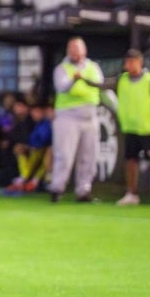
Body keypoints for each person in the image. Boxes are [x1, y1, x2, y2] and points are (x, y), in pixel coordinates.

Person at [47, 36, 103, 203]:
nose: (76, 54)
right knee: (64, 153)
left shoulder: (93, 67)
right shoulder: (62, 69)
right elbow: (62, 87)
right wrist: (74, 79)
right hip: (68, 115)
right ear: (68, 52)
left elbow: (100, 84)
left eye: (78, 50)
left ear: (84, 51)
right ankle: (57, 188)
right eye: (72, 50)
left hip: (90, 114)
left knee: (88, 155)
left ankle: (84, 190)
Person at [115, 49, 150, 206]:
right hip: (130, 128)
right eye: (127, 62)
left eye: (133, 61)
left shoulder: (148, 80)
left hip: (147, 127)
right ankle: (131, 194)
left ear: (140, 62)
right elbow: (101, 84)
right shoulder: (121, 80)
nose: (130, 65)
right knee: (130, 160)